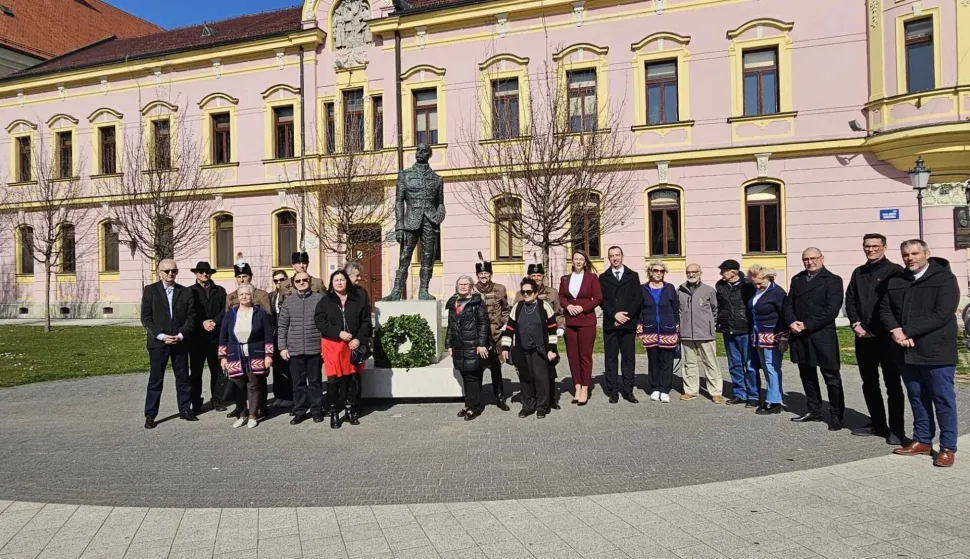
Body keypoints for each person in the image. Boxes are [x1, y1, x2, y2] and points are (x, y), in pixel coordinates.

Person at [881, 240, 960, 467]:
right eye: (906, 254)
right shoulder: (896, 280)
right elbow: (885, 309)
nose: (910, 258)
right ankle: (923, 440)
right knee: (916, 397)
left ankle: (947, 447)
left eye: (915, 253)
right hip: (906, 351)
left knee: (943, 399)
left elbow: (942, 313)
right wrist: (896, 331)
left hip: (937, 351)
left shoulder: (944, 278)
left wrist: (907, 330)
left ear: (927, 253)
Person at [844, 234, 906, 444]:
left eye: (875, 246)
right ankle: (878, 424)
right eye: (867, 246)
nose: (870, 250)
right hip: (863, 337)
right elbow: (850, 300)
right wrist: (855, 323)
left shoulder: (895, 271)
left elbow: (897, 304)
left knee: (893, 385)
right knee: (869, 383)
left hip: (887, 338)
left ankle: (897, 430)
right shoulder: (859, 272)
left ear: (884, 247)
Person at [784, 247, 845, 431]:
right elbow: (788, 304)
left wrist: (807, 324)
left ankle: (836, 415)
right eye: (806, 259)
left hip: (821, 334)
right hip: (800, 335)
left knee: (831, 377)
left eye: (813, 258)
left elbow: (831, 309)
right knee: (807, 375)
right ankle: (814, 410)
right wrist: (792, 322)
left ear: (821, 258)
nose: (810, 262)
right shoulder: (797, 279)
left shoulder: (833, 280)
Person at [141, 259, 197, 429]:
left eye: (174, 271)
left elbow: (191, 317)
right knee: (156, 379)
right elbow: (146, 318)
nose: (170, 274)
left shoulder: (185, 292)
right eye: (167, 271)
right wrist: (160, 335)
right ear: (159, 272)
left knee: (183, 378)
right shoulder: (150, 290)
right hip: (159, 343)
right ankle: (150, 414)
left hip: (179, 341)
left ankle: (185, 409)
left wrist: (180, 335)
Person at [314, 270, 372, 429]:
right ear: (332, 284)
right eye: (336, 280)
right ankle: (334, 412)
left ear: (347, 282)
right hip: (332, 344)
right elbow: (320, 322)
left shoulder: (357, 300)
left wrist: (358, 339)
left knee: (351, 379)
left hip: (351, 345)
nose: (339, 282)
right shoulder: (325, 302)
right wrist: (338, 333)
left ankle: (350, 410)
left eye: (342, 279)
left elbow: (366, 322)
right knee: (333, 380)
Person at [218, 284, 275, 429]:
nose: (244, 297)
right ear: (237, 296)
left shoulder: (260, 313)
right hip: (234, 353)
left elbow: (268, 335)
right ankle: (242, 414)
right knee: (238, 386)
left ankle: (253, 415)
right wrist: (223, 357)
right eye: (241, 294)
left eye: (247, 294)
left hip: (255, 353)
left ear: (252, 296)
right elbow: (223, 336)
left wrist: (268, 355)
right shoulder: (230, 314)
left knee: (253, 384)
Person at [502, 278, 560, 419]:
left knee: (541, 378)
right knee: (525, 377)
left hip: (540, 349)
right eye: (523, 292)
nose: (526, 294)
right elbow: (509, 328)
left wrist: (552, 349)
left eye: (529, 292)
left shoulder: (544, 306)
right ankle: (528, 406)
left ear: (535, 292)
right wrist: (505, 347)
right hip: (522, 348)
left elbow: (552, 329)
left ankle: (542, 406)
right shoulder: (518, 307)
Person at [514, 263, 565, 409]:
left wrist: (560, 327)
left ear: (543, 277)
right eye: (533, 276)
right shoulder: (521, 293)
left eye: (539, 276)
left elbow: (559, 313)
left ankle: (551, 400)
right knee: (533, 371)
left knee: (549, 369)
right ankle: (535, 400)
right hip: (528, 337)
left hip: (548, 336)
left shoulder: (552, 292)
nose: (536, 278)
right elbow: (515, 313)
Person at [226, 260, 274, 415]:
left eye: (244, 276)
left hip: (256, 341)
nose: (242, 279)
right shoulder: (231, 296)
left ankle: (262, 405)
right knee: (239, 376)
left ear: (250, 277)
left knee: (258, 377)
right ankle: (241, 407)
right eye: (239, 276)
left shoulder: (261, 294)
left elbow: (267, 316)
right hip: (238, 343)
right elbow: (228, 322)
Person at [278, 271, 325, 425]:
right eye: (298, 280)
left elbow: (325, 324)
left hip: (314, 348)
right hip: (295, 348)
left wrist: (324, 346)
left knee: (315, 382)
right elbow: (282, 326)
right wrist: (282, 347)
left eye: (305, 280)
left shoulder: (319, 299)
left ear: (310, 281)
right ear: (294, 283)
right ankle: (300, 411)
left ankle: (317, 410)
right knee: (298, 383)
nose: (302, 282)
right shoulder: (288, 301)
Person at [599, 246, 643, 404]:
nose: (615, 258)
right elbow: (602, 300)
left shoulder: (633, 275)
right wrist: (615, 315)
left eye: (617, 255)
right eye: (611, 256)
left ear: (622, 256)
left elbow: (638, 298)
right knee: (610, 358)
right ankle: (613, 390)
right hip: (611, 323)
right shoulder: (603, 277)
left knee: (628, 358)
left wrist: (627, 316)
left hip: (628, 323)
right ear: (609, 258)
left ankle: (628, 390)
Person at [559, 250, 602, 405]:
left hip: (586, 322)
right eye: (575, 259)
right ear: (572, 261)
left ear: (585, 262)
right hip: (570, 322)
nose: (578, 261)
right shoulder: (565, 279)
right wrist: (568, 305)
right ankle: (576, 386)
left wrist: (582, 308)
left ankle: (585, 387)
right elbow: (561, 297)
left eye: (581, 259)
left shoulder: (592, 278)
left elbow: (597, 298)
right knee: (572, 356)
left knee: (585, 356)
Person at [714, 259, 759, 407]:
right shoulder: (720, 286)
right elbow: (720, 305)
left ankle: (754, 395)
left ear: (733, 272)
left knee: (750, 364)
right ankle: (740, 393)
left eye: (724, 271)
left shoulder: (747, 285)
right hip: (728, 328)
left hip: (744, 328)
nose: (721, 273)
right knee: (734, 364)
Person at [446, 275, 490, 421]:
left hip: (473, 345)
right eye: (460, 284)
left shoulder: (477, 302)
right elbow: (450, 326)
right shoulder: (454, 302)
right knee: (465, 375)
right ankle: (469, 403)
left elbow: (484, 323)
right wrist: (449, 344)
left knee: (473, 376)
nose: (463, 286)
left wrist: (481, 344)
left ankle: (474, 407)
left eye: (466, 284)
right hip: (459, 345)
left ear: (471, 286)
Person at [677, 264, 722, 402]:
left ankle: (715, 392)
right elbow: (678, 310)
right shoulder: (680, 290)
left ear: (700, 273)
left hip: (705, 333)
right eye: (688, 272)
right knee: (688, 363)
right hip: (686, 333)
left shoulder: (709, 290)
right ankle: (691, 390)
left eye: (694, 272)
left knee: (710, 363)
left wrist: (709, 324)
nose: (691, 274)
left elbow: (715, 310)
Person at [188, 261, 227, 414]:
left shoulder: (220, 290)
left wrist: (214, 322)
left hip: (215, 337)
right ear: (196, 274)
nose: (204, 274)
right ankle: (196, 402)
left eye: (207, 272)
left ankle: (217, 400)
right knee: (196, 372)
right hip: (197, 338)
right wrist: (202, 322)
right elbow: (189, 313)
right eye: (201, 272)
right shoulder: (190, 291)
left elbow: (224, 310)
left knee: (217, 371)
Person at [748, 265, 787, 415]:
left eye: (760, 283)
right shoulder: (756, 291)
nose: (757, 286)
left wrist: (784, 336)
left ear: (768, 278)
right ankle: (775, 396)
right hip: (759, 335)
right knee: (765, 366)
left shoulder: (777, 292)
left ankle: (774, 401)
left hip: (773, 334)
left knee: (772, 367)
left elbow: (784, 315)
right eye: (754, 283)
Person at [638, 260, 679, 403]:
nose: (658, 273)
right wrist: (640, 326)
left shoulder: (670, 288)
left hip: (667, 329)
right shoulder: (643, 288)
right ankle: (655, 387)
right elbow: (639, 310)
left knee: (667, 360)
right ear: (650, 272)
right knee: (653, 360)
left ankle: (665, 388)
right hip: (650, 329)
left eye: (661, 271)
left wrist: (676, 326)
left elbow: (675, 309)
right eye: (655, 270)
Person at [473, 260, 511, 411]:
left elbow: (506, 308)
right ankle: (476, 400)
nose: (484, 276)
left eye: (486, 273)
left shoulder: (500, 289)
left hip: (496, 336)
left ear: (490, 274)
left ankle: (500, 398)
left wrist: (504, 323)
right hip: (479, 338)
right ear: (477, 275)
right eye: (481, 273)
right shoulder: (472, 290)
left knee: (496, 369)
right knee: (478, 370)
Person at [269, 269, 293, 411]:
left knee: (287, 366)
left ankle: (289, 396)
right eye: (276, 281)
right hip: (275, 334)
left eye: (282, 280)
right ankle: (279, 395)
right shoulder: (271, 296)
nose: (279, 283)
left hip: (288, 334)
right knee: (276, 366)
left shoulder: (290, 294)